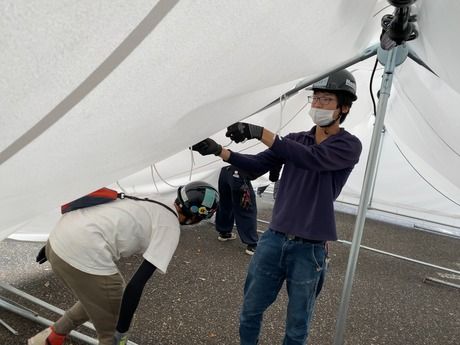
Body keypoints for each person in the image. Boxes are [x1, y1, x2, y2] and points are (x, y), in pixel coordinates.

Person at [192, 69, 362, 345]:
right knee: (250, 311)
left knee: (297, 325)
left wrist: (260, 132)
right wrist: (219, 151)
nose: (317, 105)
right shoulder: (294, 140)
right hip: (273, 240)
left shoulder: (348, 145)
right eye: (315, 98)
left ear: (344, 107)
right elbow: (257, 166)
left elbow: (312, 159)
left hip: (310, 249)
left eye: (326, 100)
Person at [28, 181, 219, 345]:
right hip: (80, 255)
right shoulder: (169, 228)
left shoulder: (154, 197)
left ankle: (51, 338)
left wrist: (50, 247)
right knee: (113, 323)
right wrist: (122, 328)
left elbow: (101, 209)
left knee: (105, 297)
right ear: (196, 217)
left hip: (56, 241)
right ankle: (54, 337)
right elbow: (135, 286)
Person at [215, 165, 259, 255]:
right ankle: (252, 244)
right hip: (239, 171)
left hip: (224, 170)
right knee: (246, 207)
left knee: (225, 203)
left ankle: (224, 232)